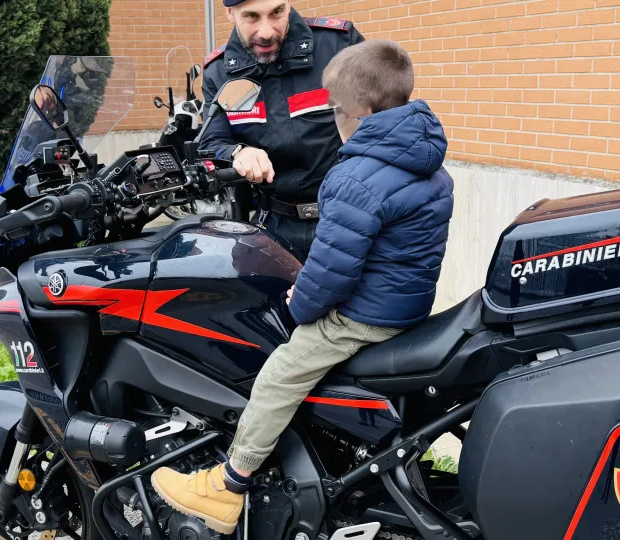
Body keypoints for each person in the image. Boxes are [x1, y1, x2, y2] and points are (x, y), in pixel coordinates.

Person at [150, 40, 454, 533]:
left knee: (280, 372)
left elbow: (333, 269)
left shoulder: (355, 177)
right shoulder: (425, 159)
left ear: (358, 112)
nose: (333, 116)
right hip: (407, 303)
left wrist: (303, 305)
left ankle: (229, 485)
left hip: (366, 316)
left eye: (335, 107)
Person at [199, 0, 365, 261]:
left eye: (276, 12)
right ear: (230, 13)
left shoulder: (338, 46)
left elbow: (383, 122)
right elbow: (211, 140)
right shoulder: (219, 72)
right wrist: (237, 153)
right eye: (252, 16)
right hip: (273, 229)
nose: (266, 32)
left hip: (349, 220)